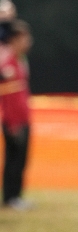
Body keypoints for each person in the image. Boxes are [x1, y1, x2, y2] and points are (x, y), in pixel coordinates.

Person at [0, 19, 33, 209]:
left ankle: (16, 196)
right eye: (24, 38)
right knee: (13, 160)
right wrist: (12, 122)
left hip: (23, 118)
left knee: (20, 160)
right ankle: (11, 197)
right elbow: (8, 97)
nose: (28, 42)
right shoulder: (7, 62)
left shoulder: (20, 61)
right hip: (13, 121)